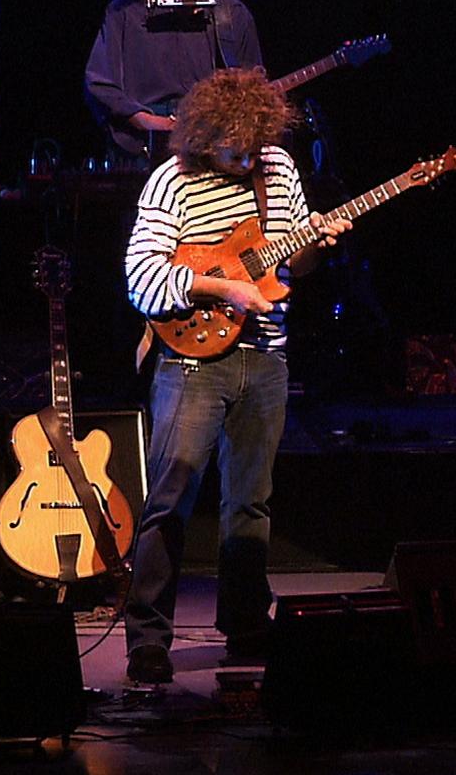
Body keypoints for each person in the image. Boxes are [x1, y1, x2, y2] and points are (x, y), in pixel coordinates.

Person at [120, 68, 350, 685]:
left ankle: (246, 625)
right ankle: (147, 639)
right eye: (233, 148)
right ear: (205, 136)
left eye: (253, 145)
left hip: (266, 357)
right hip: (190, 360)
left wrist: (318, 244)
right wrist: (223, 287)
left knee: (250, 502)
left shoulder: (276, 168)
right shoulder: (173, 180)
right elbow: (140, 277)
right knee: (169, 499)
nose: (246, 157)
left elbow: (288, 265)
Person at [85, 0, 265, 168]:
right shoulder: (124, 13)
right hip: (143, 152)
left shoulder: (233, 14)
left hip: (215, 150)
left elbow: (254, 88)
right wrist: (152, 123)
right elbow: (100, 86)